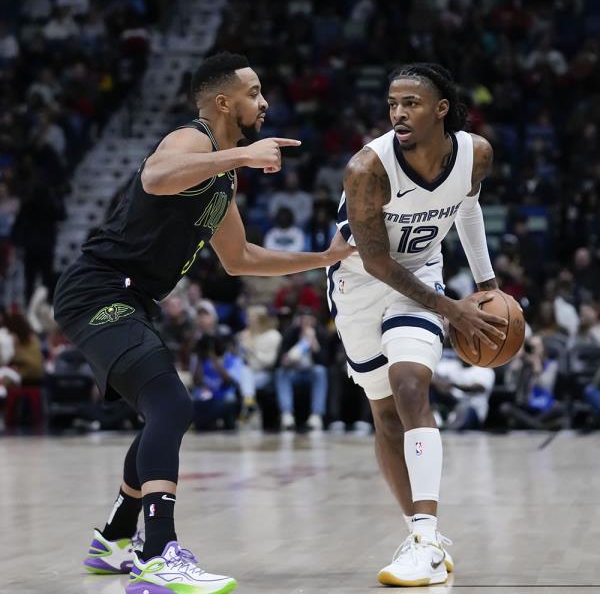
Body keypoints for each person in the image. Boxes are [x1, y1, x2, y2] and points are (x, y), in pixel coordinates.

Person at [53, 52, 350, 594]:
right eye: (254, 93)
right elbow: (158, 176)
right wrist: (240, 154)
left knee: (158, 413)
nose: (263, 102)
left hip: (132, 298)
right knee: (173, 405)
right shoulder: (189, 141)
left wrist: (324, 257)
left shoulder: (223, 177)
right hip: (97, 289)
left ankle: (115, 540)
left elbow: (240, 259)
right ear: (223, 102)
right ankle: (158, 553)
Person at [329, 63, 507, 586]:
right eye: (392, 104)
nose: (398, 113)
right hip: (360, 281)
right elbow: (378, 262)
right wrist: (454, 309)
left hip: (424, 273)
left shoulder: (475, 153)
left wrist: (488, 284)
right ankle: (418, 536)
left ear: (441, 109)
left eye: (410, 103)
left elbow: (468, 209)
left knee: (412, 388)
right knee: (384, 415)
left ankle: (427, 538)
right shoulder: (367, 168)